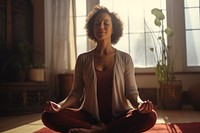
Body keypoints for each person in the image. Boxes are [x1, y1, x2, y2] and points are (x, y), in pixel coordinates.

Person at [42, 5, 157, 133]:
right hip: (89, 117)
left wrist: (141, 105)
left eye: (106, 23)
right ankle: (99, 129)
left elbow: (131, 92)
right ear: (92, 28)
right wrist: (59, 106)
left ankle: (100, 131)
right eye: (97, 24)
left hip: (120, 116)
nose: (100, 27)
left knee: (150, 116)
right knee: (48, 115)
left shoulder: (125, 59)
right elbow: (76, 93)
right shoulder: (83, 59)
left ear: (113, 29)